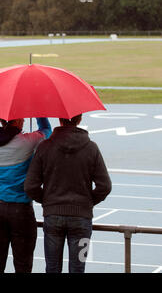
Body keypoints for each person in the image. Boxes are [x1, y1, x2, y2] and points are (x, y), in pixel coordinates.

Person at [24, 114, 112, 273]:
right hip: (82, 221)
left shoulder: (45, 146)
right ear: (80, 119)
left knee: (52, 268)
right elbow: (105, 186)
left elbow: (30, 186)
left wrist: (49, 201)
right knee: (79, 268)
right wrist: (86, 203)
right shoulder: (92, 147)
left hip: (52, 218)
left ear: (59, 119)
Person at [0, 117, 52, 273]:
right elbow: (47, 131)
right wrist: (39, 113)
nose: (24, 120)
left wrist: (2, 178)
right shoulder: (29, 141)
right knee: (23, 266)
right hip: (22, 211)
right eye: (22, 118)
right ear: (17, 120)